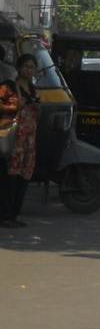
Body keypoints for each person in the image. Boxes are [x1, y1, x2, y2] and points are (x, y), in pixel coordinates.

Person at [0, 54, 40, 227]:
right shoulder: (10, 86)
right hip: (14, 137)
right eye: (26, 66)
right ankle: (6, 216)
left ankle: (14, 214)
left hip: (29, 139)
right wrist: (18, 103)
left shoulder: (33, 88)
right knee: (10, 176)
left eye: (32, 67)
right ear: (19, 68)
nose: (29, 70)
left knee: (24, 176)